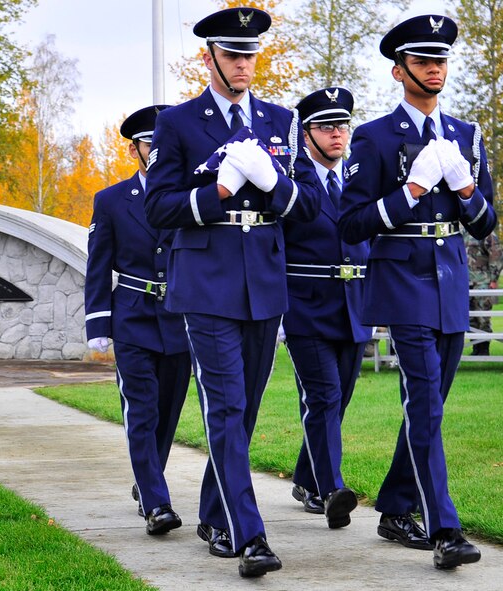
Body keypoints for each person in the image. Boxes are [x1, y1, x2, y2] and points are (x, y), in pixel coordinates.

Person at [144, 7, 322, 578]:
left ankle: (215, 514)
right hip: (206, 278)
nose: (244, 64)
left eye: (251, 54)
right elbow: (157, 208)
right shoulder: (179, 123)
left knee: (242, 412)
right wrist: (217, 191)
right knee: (225, 406)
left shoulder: (281, 120)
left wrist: (275, 184)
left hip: (264, 280)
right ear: (211, 57)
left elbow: (311, 211)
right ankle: (251, 536)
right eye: (234, 54)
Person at [339, 14, 497, 570]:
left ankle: (395, 505)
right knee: (425, 403)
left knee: (429, 408)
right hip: (403, 281)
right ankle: (444, 529)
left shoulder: (467, 135)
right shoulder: (375, 137)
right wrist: (409, 191)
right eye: (424, 60)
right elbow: (352, 222)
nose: (436, 69)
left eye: (442, 60)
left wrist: (466, 186)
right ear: (398, 69)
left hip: (451, 279)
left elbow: (484, 224)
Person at [84, 105, 192, 537]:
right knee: (142, 410)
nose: (158, 150)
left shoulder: (190, 196)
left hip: (181, 317)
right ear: (136, 149)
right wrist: (98, 325)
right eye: (150, 143)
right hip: (132, 315)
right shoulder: (111, 201)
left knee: (168, 414)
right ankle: (156, 502)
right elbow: (97, 265)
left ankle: (148, 480)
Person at [282, 87, 369, 529]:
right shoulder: (292, 182)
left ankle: (304, 477)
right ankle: (330, 489)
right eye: (326, 127)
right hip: (305, 308)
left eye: (342, 126)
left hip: (354, 308)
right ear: (307, 133)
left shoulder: (356, 179)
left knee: (339, 401)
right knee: (324, 397)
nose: (337, 134)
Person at [466, 233, 502, 355]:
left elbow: (496, 255)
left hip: (483, 281)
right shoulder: (459, 231)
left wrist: (493, 279)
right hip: (463, 282)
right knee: (469, 317)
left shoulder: (486, 232)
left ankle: (483, 349)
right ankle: (475, 347)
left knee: (483, 316)